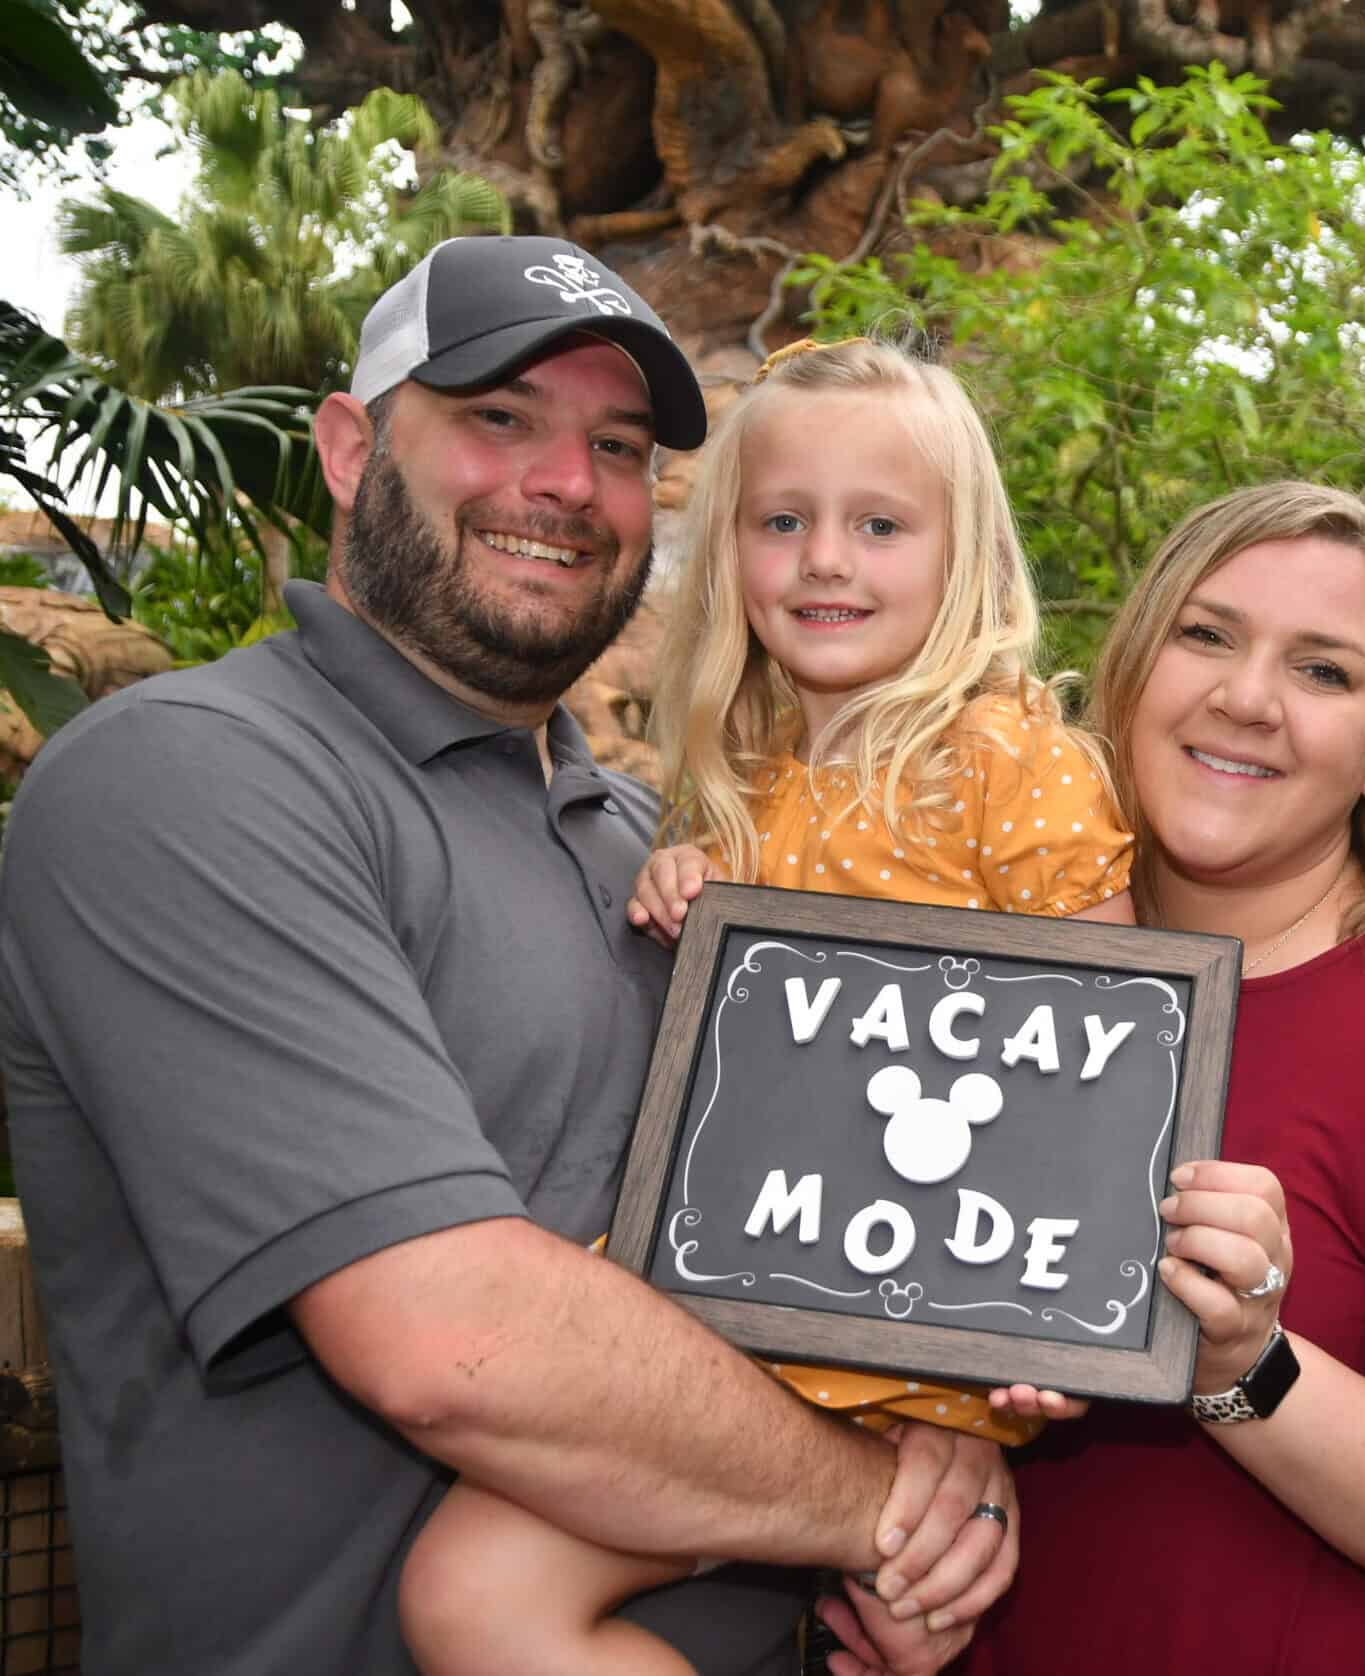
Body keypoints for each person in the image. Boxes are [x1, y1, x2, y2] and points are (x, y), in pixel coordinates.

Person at [0, 237, 1018, 1676]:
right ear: (352, 449)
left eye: (614, 445)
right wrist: (888, 1509)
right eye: (498, 419)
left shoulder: (659, 844)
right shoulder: (194, 780)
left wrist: (936, 1451)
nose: (564, 485)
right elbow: (448, 1341)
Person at [397, 333, 1137, 1676]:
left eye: (880, 524)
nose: (826, 560)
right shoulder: (744, 772)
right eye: (783, 521)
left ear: (962, 549)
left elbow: (1113, 1057)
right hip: (728, 1340)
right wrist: (687, 875)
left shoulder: (1005, 757)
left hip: (932, 1351)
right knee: (471, 1600)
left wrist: (1068, 1324)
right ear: (729, 549)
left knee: (898, 1641)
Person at [960, 482, 1365, 1675]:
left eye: (1322, 671)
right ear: (1130, 668)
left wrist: (1239, 1364)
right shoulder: (989, 984)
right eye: (1205, 634)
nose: (1246, 699)